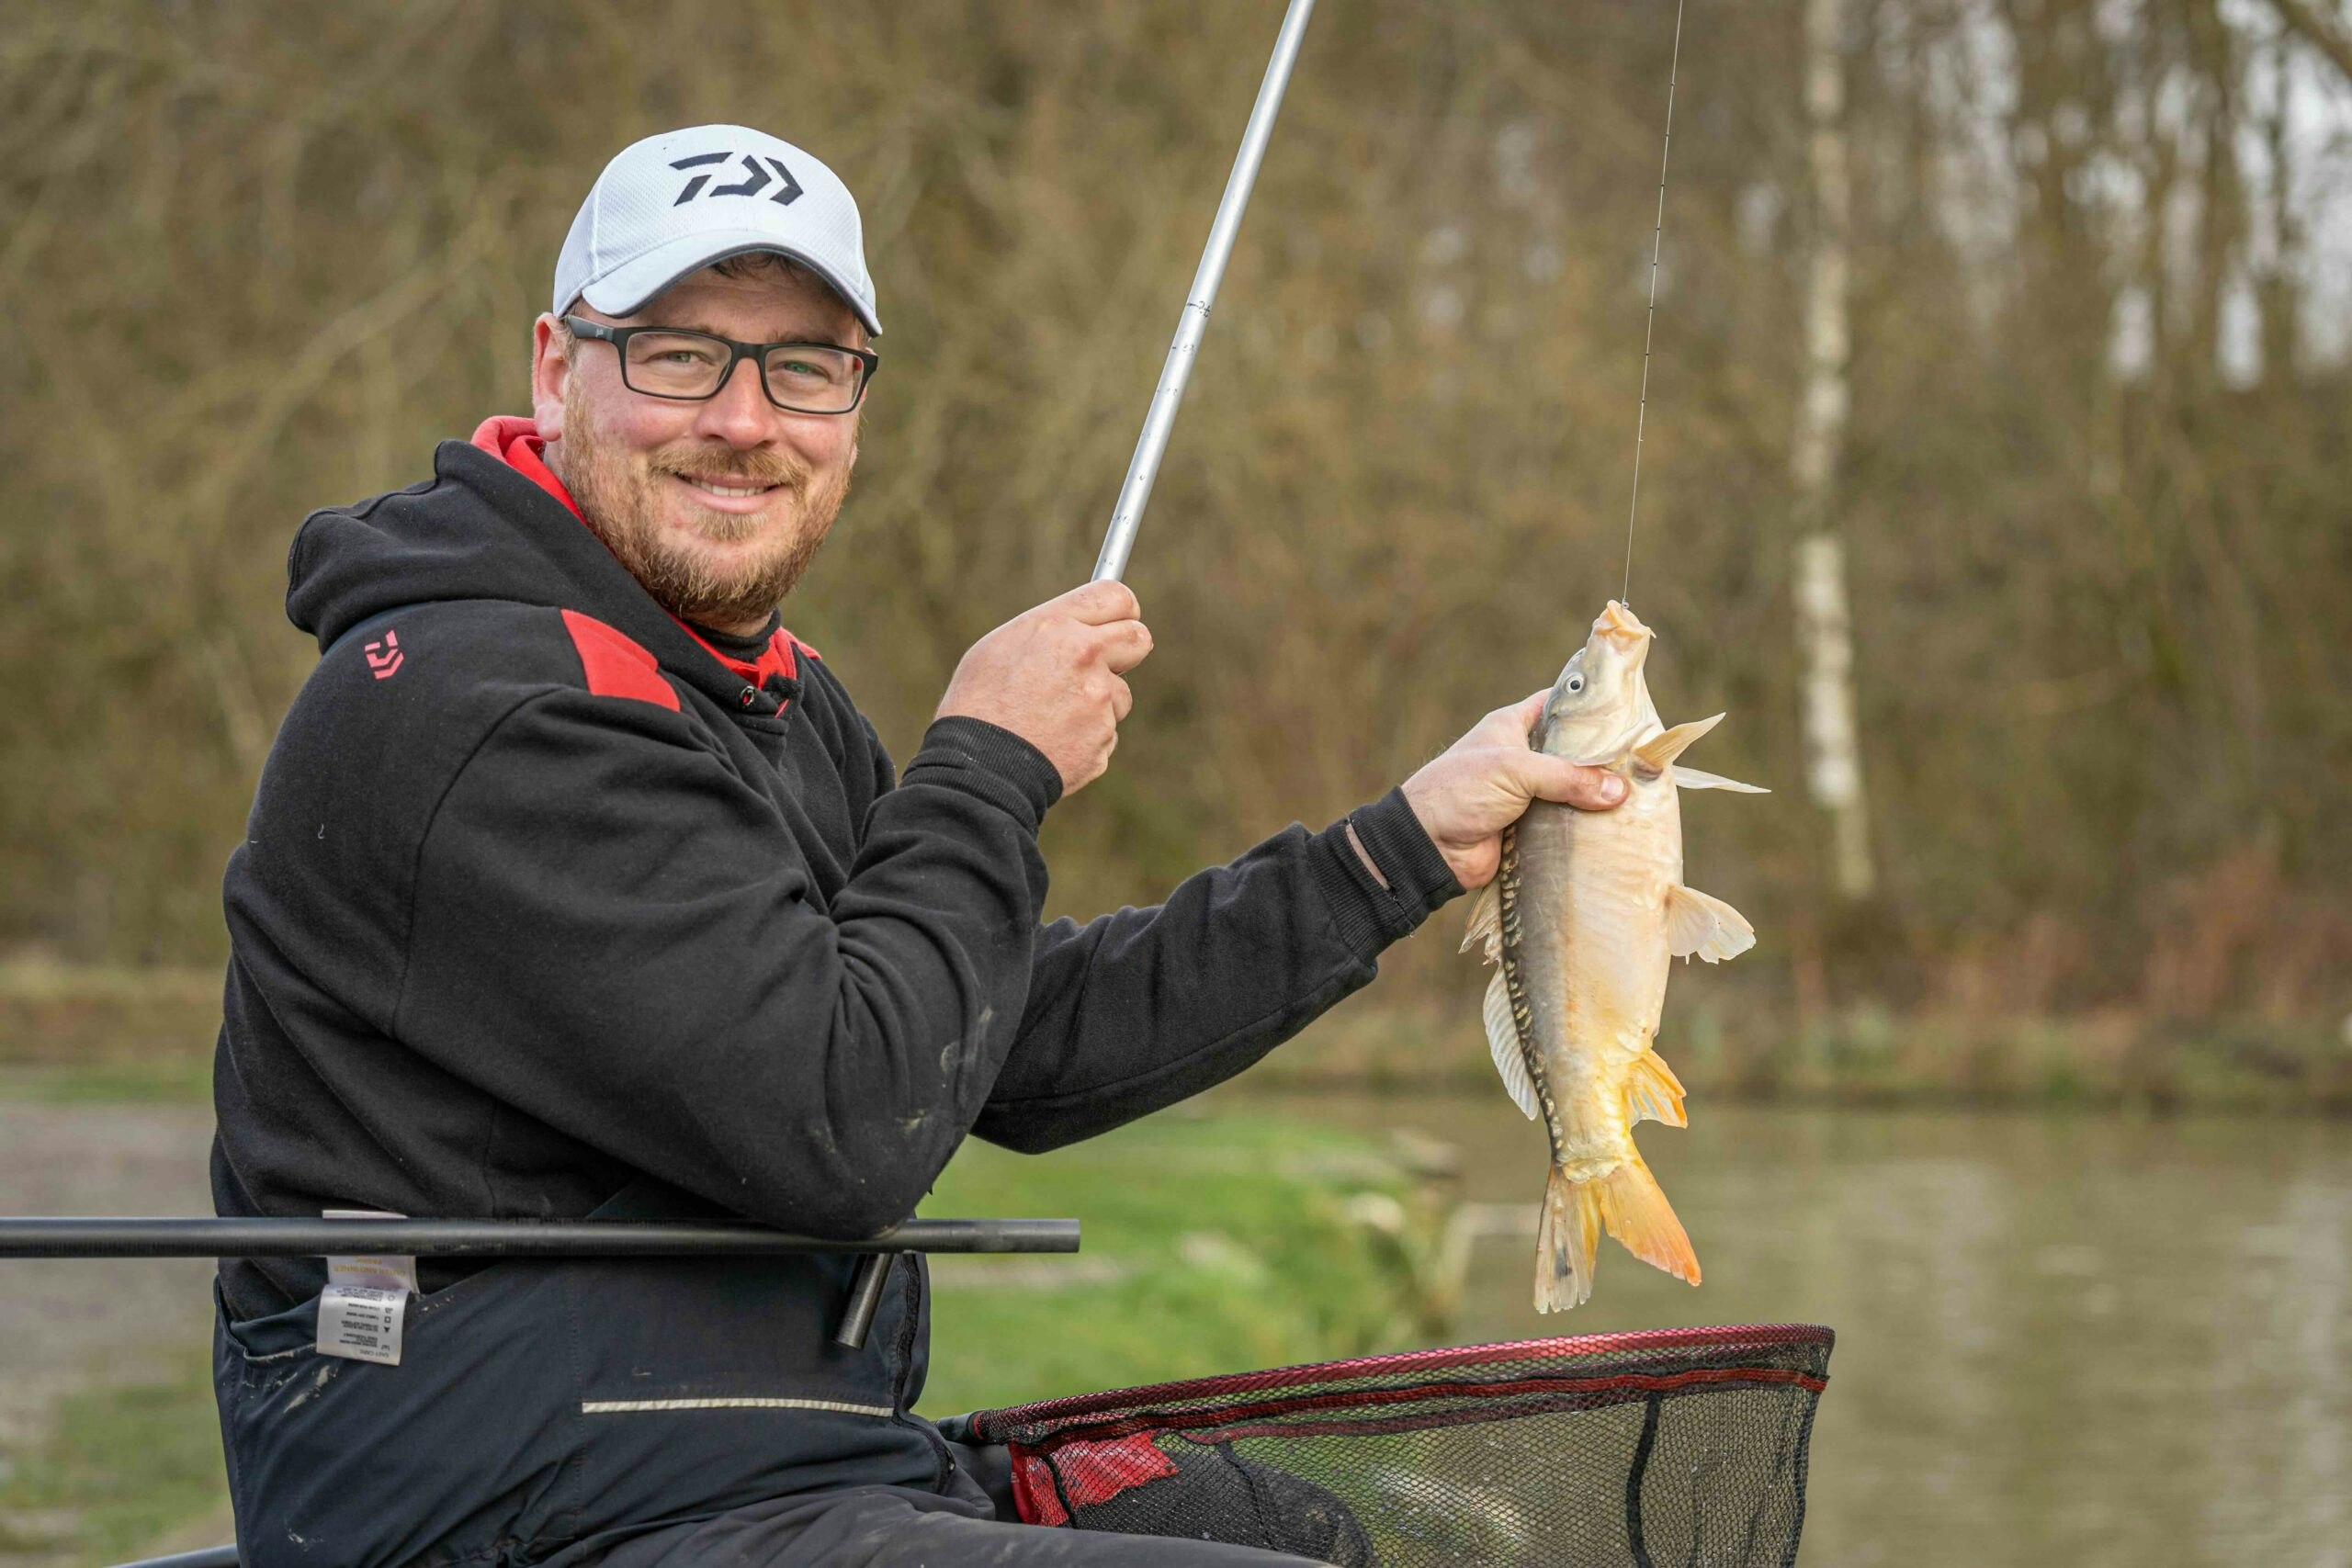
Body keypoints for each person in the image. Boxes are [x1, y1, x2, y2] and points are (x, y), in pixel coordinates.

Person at [209, 124, 1628, 1568]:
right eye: (678, 353)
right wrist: (988, 763)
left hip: (760, 1461)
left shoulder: (751, 691)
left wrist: (1391, 857)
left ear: (854, 409)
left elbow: (979, 1038)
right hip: (506, 1505)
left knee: (1295, 1528)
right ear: (554, 369)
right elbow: (841, 1121)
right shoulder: (477, 701)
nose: (746, 420)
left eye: (804, 367)